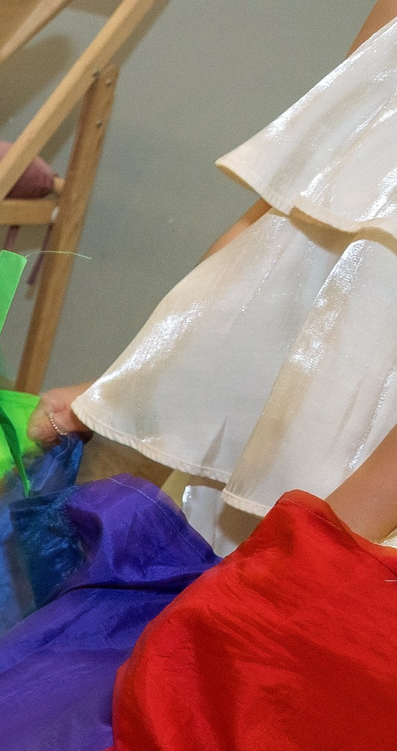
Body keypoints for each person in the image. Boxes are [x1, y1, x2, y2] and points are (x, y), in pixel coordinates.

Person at [30, 0, 397, 548]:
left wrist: (330, 542)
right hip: (273, 468)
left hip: (351, 515)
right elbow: (271, 238)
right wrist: (123, 385)